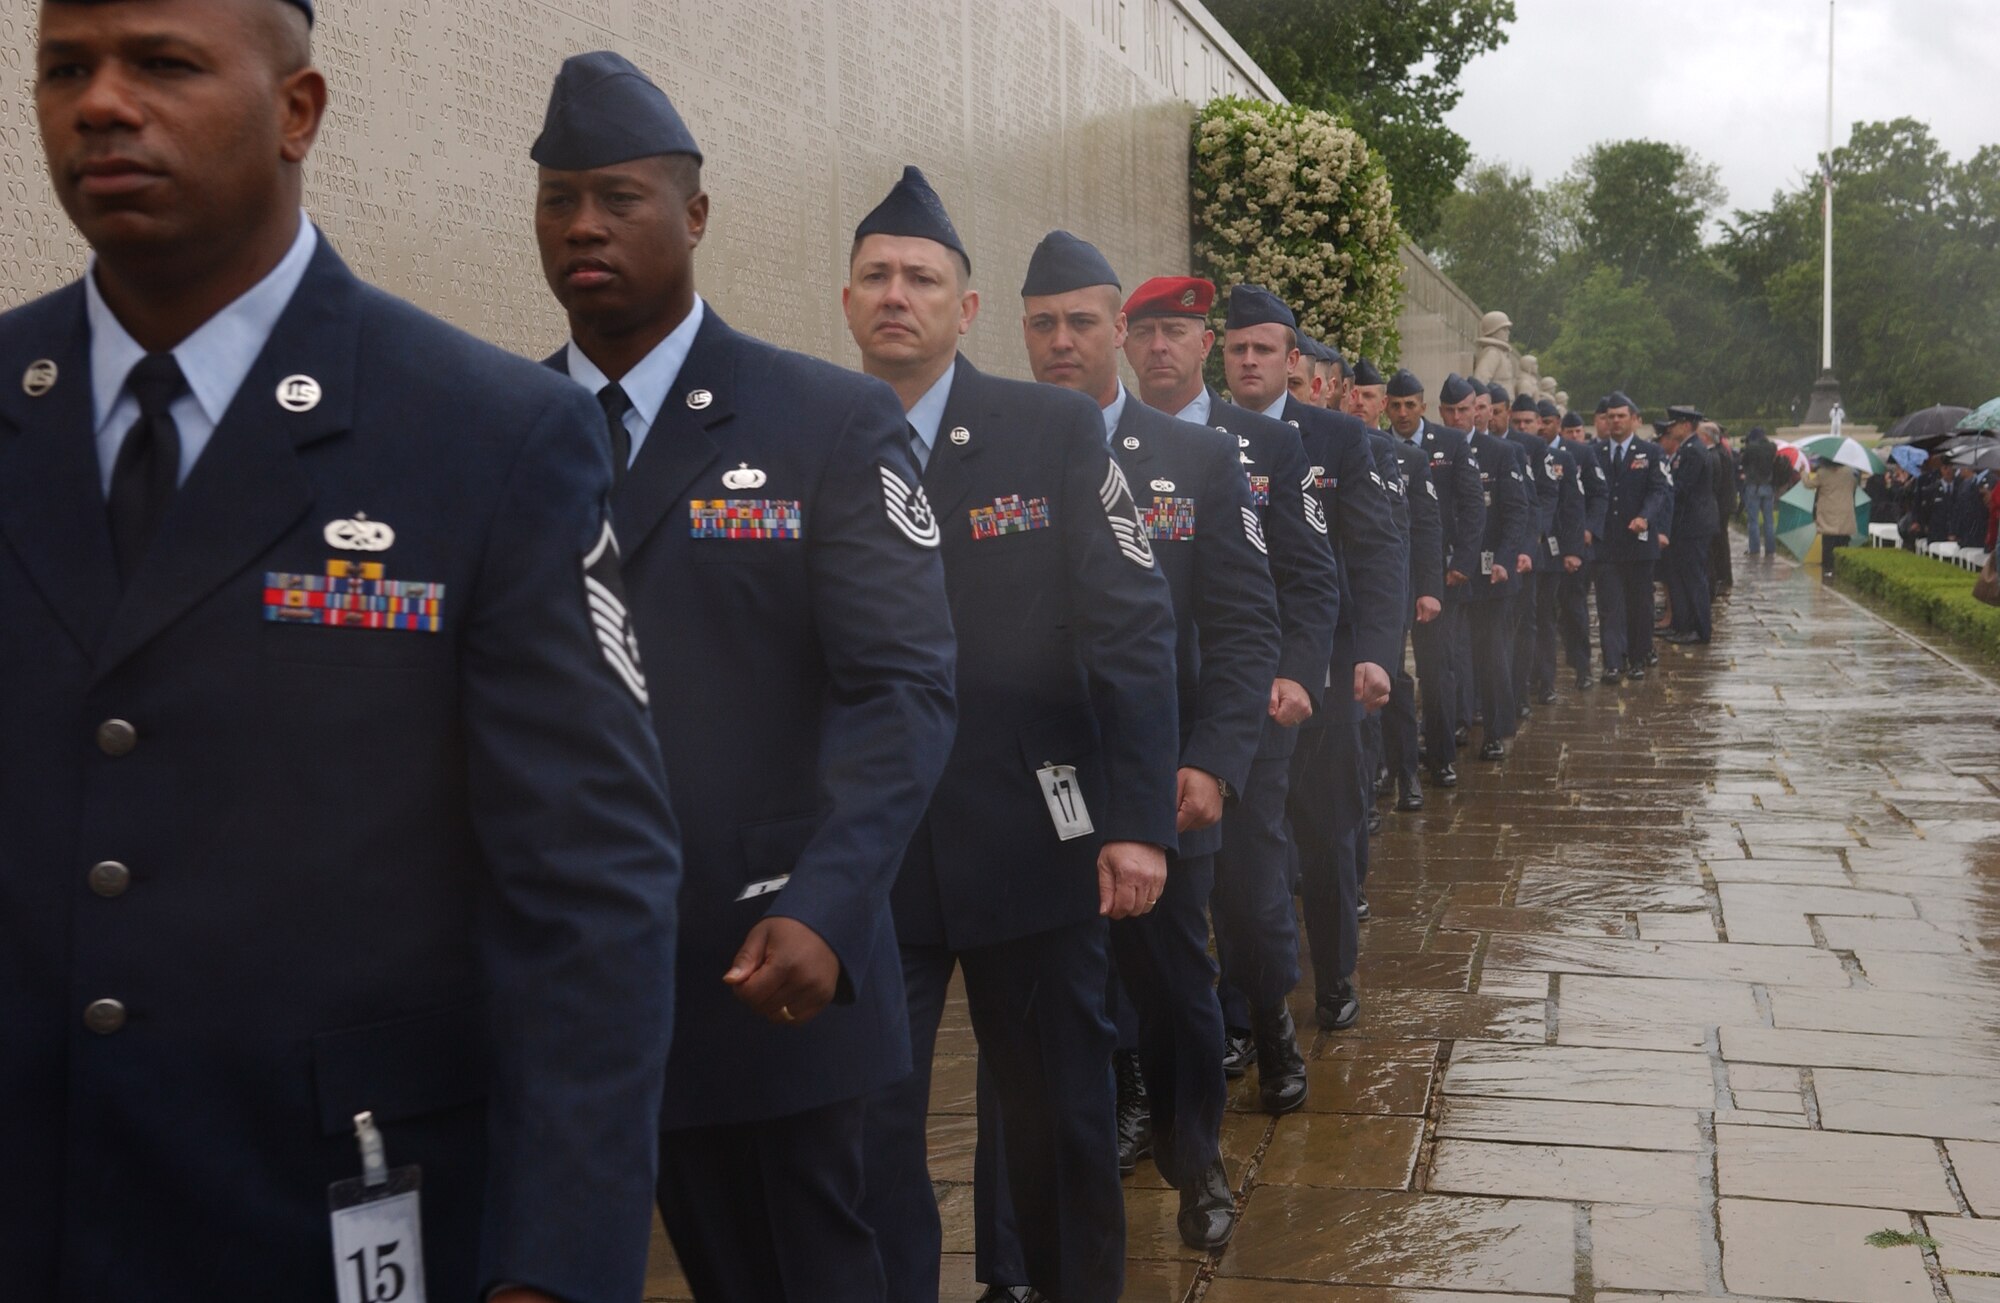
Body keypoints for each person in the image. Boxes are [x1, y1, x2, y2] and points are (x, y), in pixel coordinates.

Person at [5, 4, 683, 1300]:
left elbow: (590, 895)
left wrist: (554, 1265)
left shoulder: (488, 437)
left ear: (297, 110)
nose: (100, 102)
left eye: (160, 64)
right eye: (64, 68)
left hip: (327, 1217)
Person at [529, 55, 959, 1301]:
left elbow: (904, 687)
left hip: (768, 968)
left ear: (695, 215)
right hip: (561, 990)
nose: (584, 227)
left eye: (617, 197)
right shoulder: (498, 425)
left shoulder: (821, 422)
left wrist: (826, 903)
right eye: (559, 200)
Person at [842, 167, 1181, 1303]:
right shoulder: (806, 432)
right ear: (847, 301)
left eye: (921, 277)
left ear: (963, 308)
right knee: (860, 1123)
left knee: (1056, 1118)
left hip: (1034, 835)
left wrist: (1135, 822)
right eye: (877, 276)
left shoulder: (1047, 431)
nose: (897, 295)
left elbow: (1131, 627)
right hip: (864, 854)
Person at [980, 231, 1278, 1266]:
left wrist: (1212, 757)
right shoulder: (989, 450)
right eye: (1041, 324)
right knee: (1026, 1014)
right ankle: (1013, 1254)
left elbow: (1241, 629)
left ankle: (1192, 1157)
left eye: (1081, 322)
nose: (1061, 342)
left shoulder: (1195, 459)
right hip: (1029, 788)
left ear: (1118, 329)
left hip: (1161, 780)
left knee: (1169, 990)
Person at [1119, 276, 1337, 1119]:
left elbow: (1309, 576)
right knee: (1135, 902)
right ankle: (1140, 1070)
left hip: (1242, 705)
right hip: (1141, 707)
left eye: (1177, 331)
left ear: (1205, 343)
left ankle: (1270, 1022)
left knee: (1247, 887)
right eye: (1146, 332)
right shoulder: (1094, 442)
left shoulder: (1261, 446)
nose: (1160, 347)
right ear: (1125, 343)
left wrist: (1296, 669)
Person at [1217, 286, 1401, 1035]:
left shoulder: (1335, 439)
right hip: (1235, 671)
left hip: (1326, 665)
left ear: (1293, 360)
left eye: (1265, 348)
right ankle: (1241, 1001)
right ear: (1220, 357)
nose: (1251, 360)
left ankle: (1334, 976)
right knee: (1235, 848)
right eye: (1238, 348)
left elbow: (1375, 551)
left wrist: (1378, 655)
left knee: (1324, 831)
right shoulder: (1202, 436)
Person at [1389, 370, 1485, 788]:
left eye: (1410, 405)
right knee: (1390, 671)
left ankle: (1441, 753)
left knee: (1437, 668)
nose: (1403, 413)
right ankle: (1395, 757)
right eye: (1395, 405)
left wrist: (1463, 561)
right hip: (1393, 573)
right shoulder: (1379, 446)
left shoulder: (1449, 445)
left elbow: (1472, 505)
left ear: (1423, 407)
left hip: (1438, 572)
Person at [1594, 393, 1673, 682]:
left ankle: (1638, 656)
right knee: (1609, 605)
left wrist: (1646, 517)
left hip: (1638, 543)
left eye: (1621, 416)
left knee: (1640, 604)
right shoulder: (1596, 453)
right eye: (1610, 416)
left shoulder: (1650, 453)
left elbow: (1658, 490)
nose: (1615, 421)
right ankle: (1613, 662)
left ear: (1634, 419)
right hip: (1607, 543)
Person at [1659, 406, 1717, 645]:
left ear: (1685, 425)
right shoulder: (1688, 449)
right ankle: (1683, 625)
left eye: (1674, 425)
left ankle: (1700, 628)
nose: (1671, 430)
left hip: (1693, 523)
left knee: (1694, 579)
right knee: (1683, 577)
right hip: (1687, 524)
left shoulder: (1693, 451)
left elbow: (1682, 487)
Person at [1807, 455, 1861, 578]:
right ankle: (1842, 570)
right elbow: (1854, 488)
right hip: (1845, 514)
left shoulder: (1822, 473)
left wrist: (1802, 473)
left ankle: (1828, 570)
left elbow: (1808, 484)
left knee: (1828, 544)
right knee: (1843, 543)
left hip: (1828, 514)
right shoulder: (1850, 473)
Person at [1703, 422, 1738, 590]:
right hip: (1723, 503)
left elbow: (1719, 483)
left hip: (1722, 504)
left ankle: (1724, 576)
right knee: (1720, 541)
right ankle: (1723, 575)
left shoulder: (1718, 454)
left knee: (1720, 542)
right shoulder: (1721, 452)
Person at [1739, 426, 1778, 557]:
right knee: (1769, 521)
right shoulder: (1772, 447)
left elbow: (1743, 462)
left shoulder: (1751, 448)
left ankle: (1754, 549)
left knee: (1753, 521)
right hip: (1768, 486)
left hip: (1753, 486)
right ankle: (1770, 549)